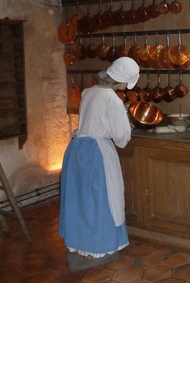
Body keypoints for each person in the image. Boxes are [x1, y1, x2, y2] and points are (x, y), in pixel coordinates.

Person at [59, 56, 140, 271]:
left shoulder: (89, 91)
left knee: (82, 199)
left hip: (78, 150)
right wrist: (126, 121)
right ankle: (99, 246)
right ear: (123, 81)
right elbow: (122, 138)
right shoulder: (113, 100)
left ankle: (81, 245)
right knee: (102, 199)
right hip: (97, 154)